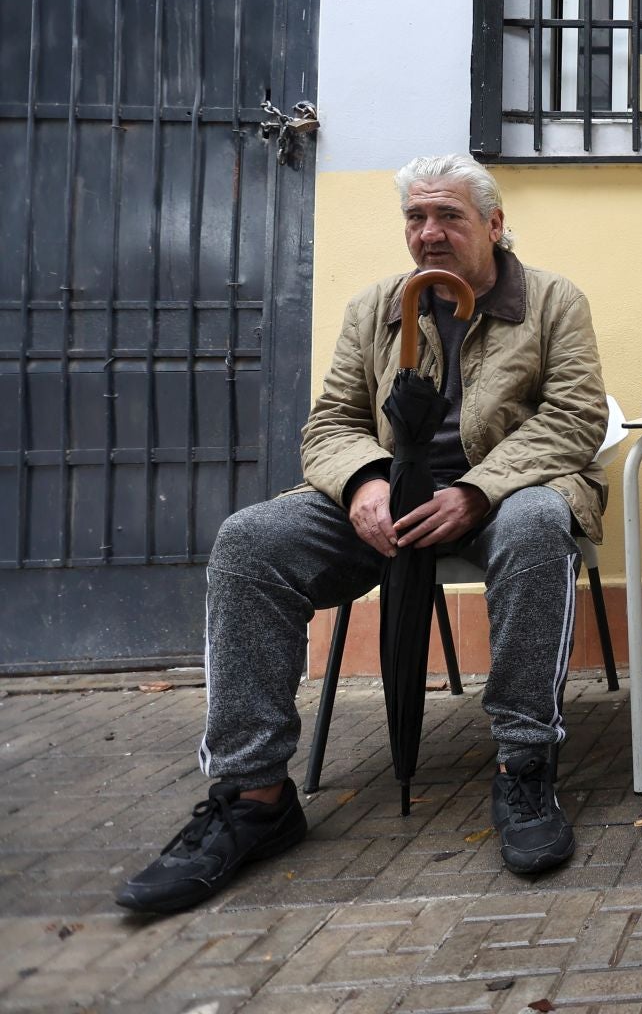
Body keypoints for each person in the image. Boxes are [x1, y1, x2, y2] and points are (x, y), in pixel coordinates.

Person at [117, 154, 609, 912]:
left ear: (495, 224)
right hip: (387, 501)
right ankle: (255, 797)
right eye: (416, 217)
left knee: (541, 522)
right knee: (250, 542)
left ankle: (525, 766)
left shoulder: (551, 301)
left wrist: (478, 490)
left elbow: (573, 419)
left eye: (449, 216)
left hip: (503, 493)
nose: (429, 233)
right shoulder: (374, 307)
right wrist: (362, 482)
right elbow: (332, 424)